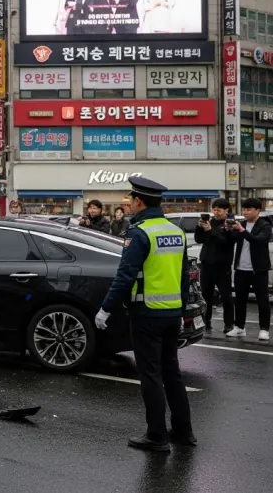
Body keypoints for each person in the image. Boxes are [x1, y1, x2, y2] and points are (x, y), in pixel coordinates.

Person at [96, 176, 194, 452]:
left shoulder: (139, 233)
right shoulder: (175, 231)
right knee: (171, 372)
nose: (129, 205)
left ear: (139, 202)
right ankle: (184, 432)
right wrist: (181, 306)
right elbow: (184, 275)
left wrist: (105, 309)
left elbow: (125, 276)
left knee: (150, 374)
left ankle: (156, 436)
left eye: (131, 201)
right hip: (172, 313)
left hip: (147, 313)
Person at [229, 198, 271, 341]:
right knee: (240, 299)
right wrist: (230, 230)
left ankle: (264, 329)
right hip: (241, 268)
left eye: (248, 209)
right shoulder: (242, 224)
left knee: (262, 300)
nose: (245, 212)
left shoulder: (265, 225)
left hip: (258, 269)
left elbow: (259, 241)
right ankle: (239, 327)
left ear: (257, 210)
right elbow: (232, 239)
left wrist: (242, 231)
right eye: (244, 209)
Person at [194, 199, 236, 332]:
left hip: (222, 265)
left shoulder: (230, 224)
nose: (215, 212)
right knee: (206, 295)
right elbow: (199, 239)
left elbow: (225, 241)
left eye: (218, 210)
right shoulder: (210, 222)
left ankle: (229, 324)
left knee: (226, 296)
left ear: (226, 210)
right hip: (207, 263)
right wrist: (199, 227)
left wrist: (210, 231)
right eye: (214, 209)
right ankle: (206, 321)